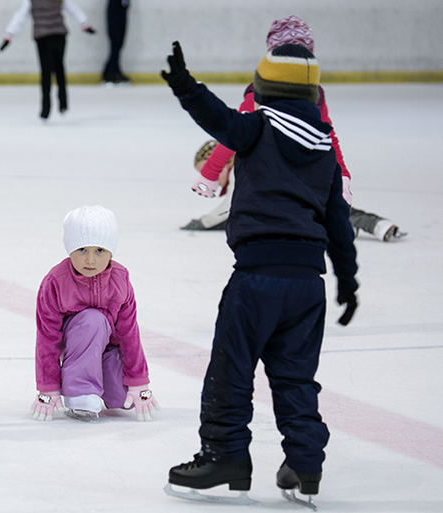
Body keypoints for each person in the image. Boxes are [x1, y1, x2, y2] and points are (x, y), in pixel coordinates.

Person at [161, 41, 359, 506]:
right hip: (307, 286)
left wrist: (186, 87)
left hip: (257, 278)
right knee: (296, 377)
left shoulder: (258, 128)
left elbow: (218, 120)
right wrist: (347, 280)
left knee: (231, 369)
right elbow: (338, 222)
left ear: (263, 87)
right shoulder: (325, 148)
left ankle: (225, 455)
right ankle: (305, 464)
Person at [188, 15, 404, 242]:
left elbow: (232, 135)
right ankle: (363, 224)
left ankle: (359, 224)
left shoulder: (261, 95)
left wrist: (209, 178)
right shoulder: (313, 95)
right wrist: (342, 174)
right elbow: (328, 135)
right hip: (304, 170)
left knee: (303, 209)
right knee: (314, 207)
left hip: (282, 175)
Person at [30, 205, 160, 422]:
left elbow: (129, 333)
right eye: (82, 250)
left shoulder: (120, 279)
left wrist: (139, 382)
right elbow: (47, 338)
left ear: (111, 252)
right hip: (76, 346)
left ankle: (100, 375)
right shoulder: (56, 282)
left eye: (99, 251)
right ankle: (80, 391)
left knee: (121, 399)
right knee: (93, 320)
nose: (90, 260)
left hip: (108, 348)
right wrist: (48, 388)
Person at [185, 138, 404, 242]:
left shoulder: (238, 167)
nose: (210, 177)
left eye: (207, 170)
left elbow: (230, 206)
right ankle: (369, 225)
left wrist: (203, 223)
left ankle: (371, 225)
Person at [0, 0, 96, 120]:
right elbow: (74, 9)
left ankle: (46, 107)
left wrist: (8, 35)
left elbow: (20, 16)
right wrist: (85, 24)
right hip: (56, 35)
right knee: (59, 68)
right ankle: (62, 103)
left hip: (44, 36)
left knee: (46, 71)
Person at [101, 0, 130, 85]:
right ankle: (110, 72)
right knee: (115, 42)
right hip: (115, 13)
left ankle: (115, 70)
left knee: (119, 43)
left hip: (122, 12)